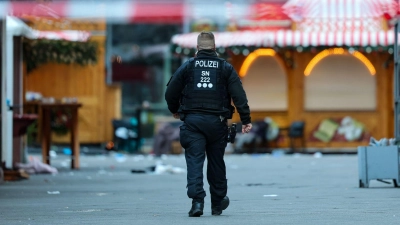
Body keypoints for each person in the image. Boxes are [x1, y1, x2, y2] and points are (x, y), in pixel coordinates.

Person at [165, 31, 252, 217]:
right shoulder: (225, 68)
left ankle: (197, 202)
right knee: (216, 162)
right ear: (214, 48)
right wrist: (246, 120)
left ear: (197, 48)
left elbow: (170, 91)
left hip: (192, 122)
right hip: (217, 123)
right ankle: (218, 203)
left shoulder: (188, 66)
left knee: (195, 161)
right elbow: (239, 95)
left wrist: (175, 109)